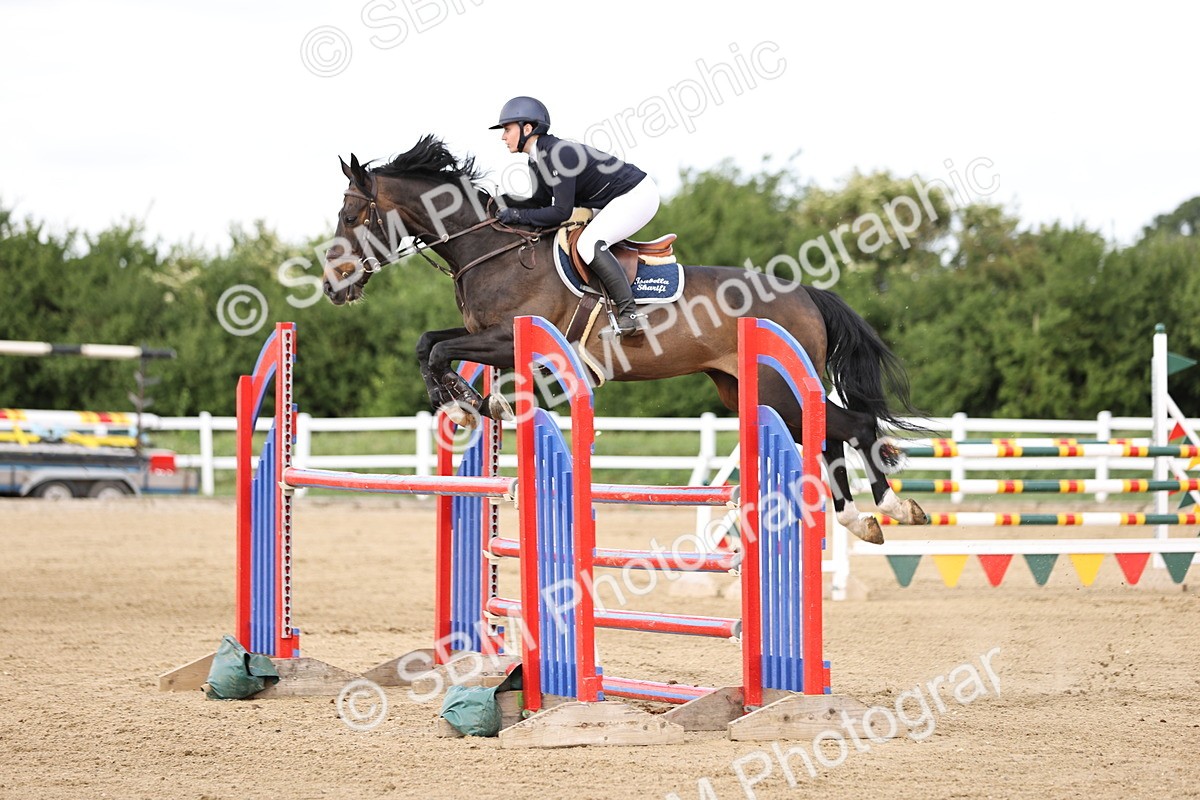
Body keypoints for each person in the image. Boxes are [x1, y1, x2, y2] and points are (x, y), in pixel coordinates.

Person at [490, 96, 659, 338]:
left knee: (588, 244)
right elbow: (539, 203)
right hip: (610, 200)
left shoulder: (559, 154)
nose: (503, 137)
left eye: (507, 129)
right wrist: (502, 203)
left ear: (527, 128)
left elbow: (561, 212)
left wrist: (516, 214)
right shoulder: (537, 160)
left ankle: (630, 314)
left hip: (636, 195)